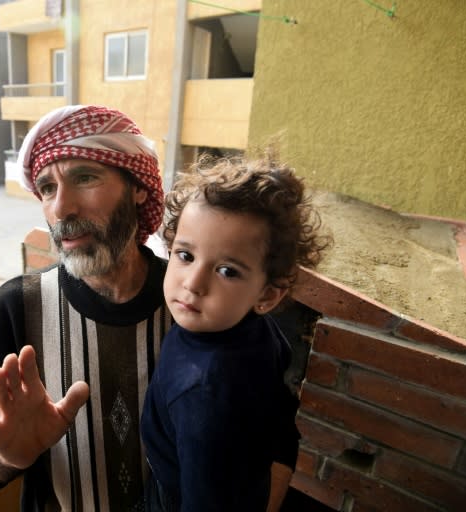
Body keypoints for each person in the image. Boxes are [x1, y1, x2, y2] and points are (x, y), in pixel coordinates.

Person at [0, 105, 298, 511]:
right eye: (47, 188)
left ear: (138, 187)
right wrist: (8, 454)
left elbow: (278, 437)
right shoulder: (17, 307)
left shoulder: (209, 304)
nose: (61, 208)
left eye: (84, 177)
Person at [140, 154, 329, 511]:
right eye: (185, 255)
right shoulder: (257, 328)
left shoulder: (204, 394)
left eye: (227, 271)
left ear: (268, 295)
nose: (193, 284)